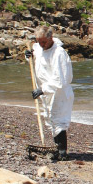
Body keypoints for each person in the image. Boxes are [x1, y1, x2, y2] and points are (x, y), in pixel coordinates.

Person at [24, 26, 74, 161]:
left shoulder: (59, 53)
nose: (41, 45)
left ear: (51, 38)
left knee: (59, 120)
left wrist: (43, 89)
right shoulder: (39, 48)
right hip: (46, 92)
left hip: (59, 92)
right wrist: (29, 55)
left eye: (44, 42)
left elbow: (60, 78)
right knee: (50, 118)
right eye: (39, 42)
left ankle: (63, 152)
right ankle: (56, 148)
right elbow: (36, 57)